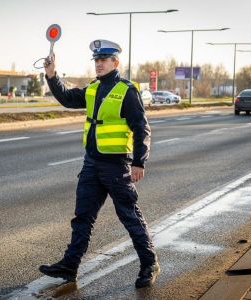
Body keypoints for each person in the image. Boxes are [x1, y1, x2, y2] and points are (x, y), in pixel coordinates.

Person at [39, 39, 159, 288]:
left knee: (129, 216)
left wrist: (139, 162)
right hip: (92, 164)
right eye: (96, 60)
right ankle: (69, 266)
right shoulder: (93, 89)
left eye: (103, 60)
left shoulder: (127, 90)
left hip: (116, 166)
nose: (98, 64)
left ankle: (150, 263)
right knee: (82, 217)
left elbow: (141, 128)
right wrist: (52, 75)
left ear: (115, 62)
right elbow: (67, 98)